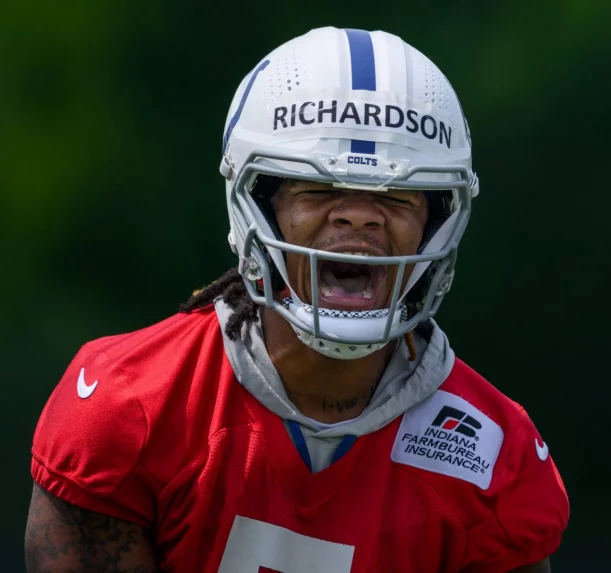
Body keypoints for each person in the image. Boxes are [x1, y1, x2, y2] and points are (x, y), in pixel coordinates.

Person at [25, 27, 569, 572]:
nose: (357, 215)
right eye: (317, 189)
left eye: (397, 195)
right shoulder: (130, 410)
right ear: (259, 205)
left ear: (436, 219)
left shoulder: (490, 458)